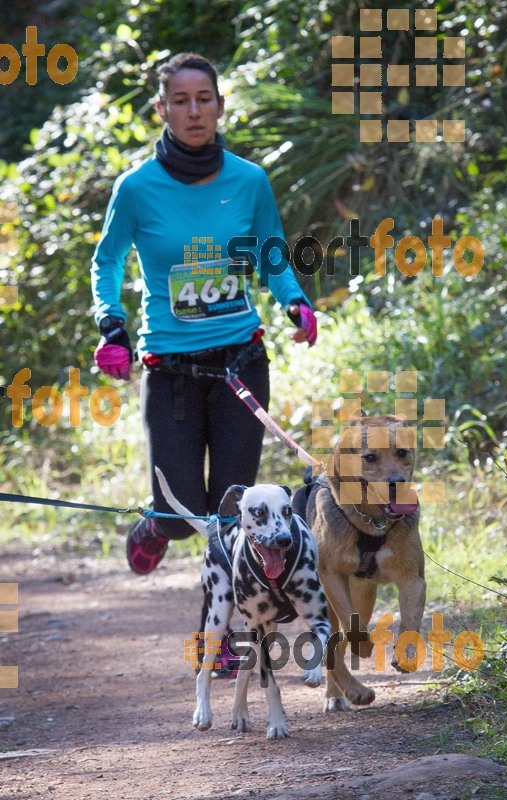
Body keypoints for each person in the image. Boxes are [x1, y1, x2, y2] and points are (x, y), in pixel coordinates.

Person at [90, 52, 317, 672]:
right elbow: (106, 263)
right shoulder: (135, 188)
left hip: (242, 360)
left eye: (204, 99)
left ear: (219, 106)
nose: (194, 111)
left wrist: (295, 301)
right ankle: (153, 527)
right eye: (180, 101)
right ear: (161, 110)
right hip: (172, 373)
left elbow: (270, 250)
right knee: (181, 514)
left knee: (229, 512)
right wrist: (109, 324)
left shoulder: (248, 180)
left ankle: (222, 642)